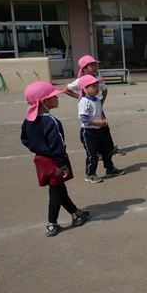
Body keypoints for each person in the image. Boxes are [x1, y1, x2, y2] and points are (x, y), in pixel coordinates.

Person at [20, 81, 90, 237]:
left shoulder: (28, 121)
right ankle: (51, 223)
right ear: (45, 102)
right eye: (54, 96)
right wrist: (62, 165)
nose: (57, 98)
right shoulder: (51, 122)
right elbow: (58, 146)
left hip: (40, 161)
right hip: (54, 162)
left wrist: (38, 149)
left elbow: (24, 140)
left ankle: (75, 213)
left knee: (59, 189)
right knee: (55, 192)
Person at [66, 54, 124, 156]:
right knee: (90, 129)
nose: (94, 67)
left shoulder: (97, 78)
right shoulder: (80, 80)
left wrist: (100, 103)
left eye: (95, 65)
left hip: (98, 108)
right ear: (84, 69)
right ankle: (95, 151)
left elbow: (105, 90)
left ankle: (109, 149)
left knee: (104, 127)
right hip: (87, 109)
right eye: (91, 65)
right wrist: (79, 97)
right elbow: (66, 90)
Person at [78, 74, 125, 183]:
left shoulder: (97, 100)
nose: (97, 88)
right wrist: (99, 122)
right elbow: (84, 119)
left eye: (97, 85)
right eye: (93, 86)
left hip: (100, 131)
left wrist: (103, 119)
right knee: (92, 155)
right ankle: (90, 174)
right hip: (88, 132)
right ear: (85, 89)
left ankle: (110, 168)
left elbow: (100, 112)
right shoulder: (84, 102)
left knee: (107, 151)